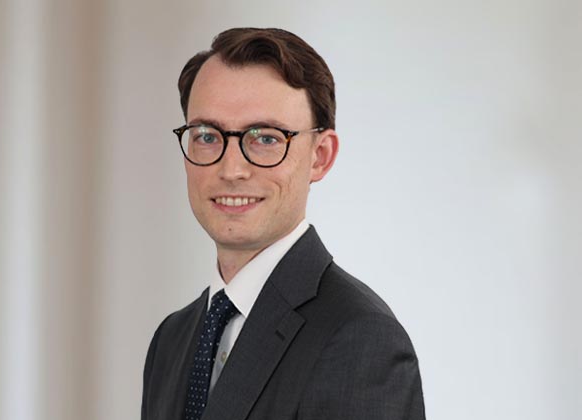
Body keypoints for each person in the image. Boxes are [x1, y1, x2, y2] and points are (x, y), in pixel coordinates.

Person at [141, 27, 425, 420]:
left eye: (266, 139)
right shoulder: (172, 339)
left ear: (320, 156)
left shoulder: (361, 338)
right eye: (207, 136)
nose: (231, 169)